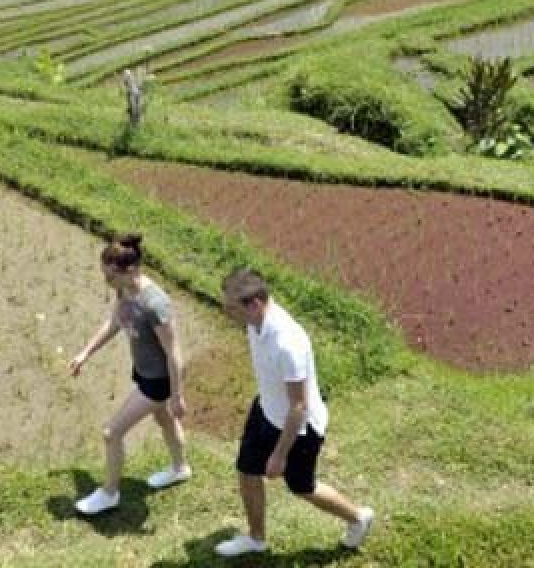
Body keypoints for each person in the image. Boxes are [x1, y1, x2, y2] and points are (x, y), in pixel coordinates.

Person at [215, 268, 374, 557]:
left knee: (302, 487)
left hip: (298, 428)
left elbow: (298, 407)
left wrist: (279, 454)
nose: (227, 312)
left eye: (231, 307)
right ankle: (256, 538)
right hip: (265, 410)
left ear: (255, 304)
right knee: (247, 470)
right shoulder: (255, 322)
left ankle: (357, 518)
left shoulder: (287, 343)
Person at [69, 233, 191, 515]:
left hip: (157, 383)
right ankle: (180, 468)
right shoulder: (125, 291)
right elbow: (115, 322)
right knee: (164, 420)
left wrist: (177, 395)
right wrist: (85, 353)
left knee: (112, 433)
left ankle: (110, 493)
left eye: (111, 276)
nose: (106, 281)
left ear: (131, 270)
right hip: (143, 372)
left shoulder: (155, 304)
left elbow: (174, 353)